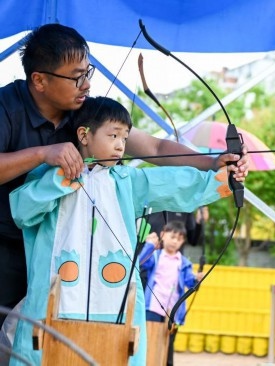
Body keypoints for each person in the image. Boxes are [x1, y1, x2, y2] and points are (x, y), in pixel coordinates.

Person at [0, 23, 248, 329]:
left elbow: (155, 147)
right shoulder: (5, 107)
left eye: (87, 73)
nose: (86, 85)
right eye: (76, 77)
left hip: (63, 256)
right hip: (6, 246)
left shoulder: (84, 112)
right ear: (39, 80)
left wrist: (212, 163)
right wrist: (42, 154)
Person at [6, 96, 239, 365]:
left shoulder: (127, 181)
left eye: (124, 138)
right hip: (53, 305)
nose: (120, 145)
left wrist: (222, 177)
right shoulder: (51, 175)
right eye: (113, 135)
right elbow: (22, 210)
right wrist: (60, 180)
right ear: (84, 135)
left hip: (114, 307)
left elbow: (174, 184)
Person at [139, 220, 202, 366]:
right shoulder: (155, 256)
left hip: (173, 311)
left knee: (168, 344)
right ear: (163, 235)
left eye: (179, 239)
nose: (175, 242)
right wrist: (149, 246)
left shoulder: (184, 262)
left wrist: (197, 279)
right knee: (149, 341)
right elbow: (140, 262)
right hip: (153, 307)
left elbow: (190, 283)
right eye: (172, 237)